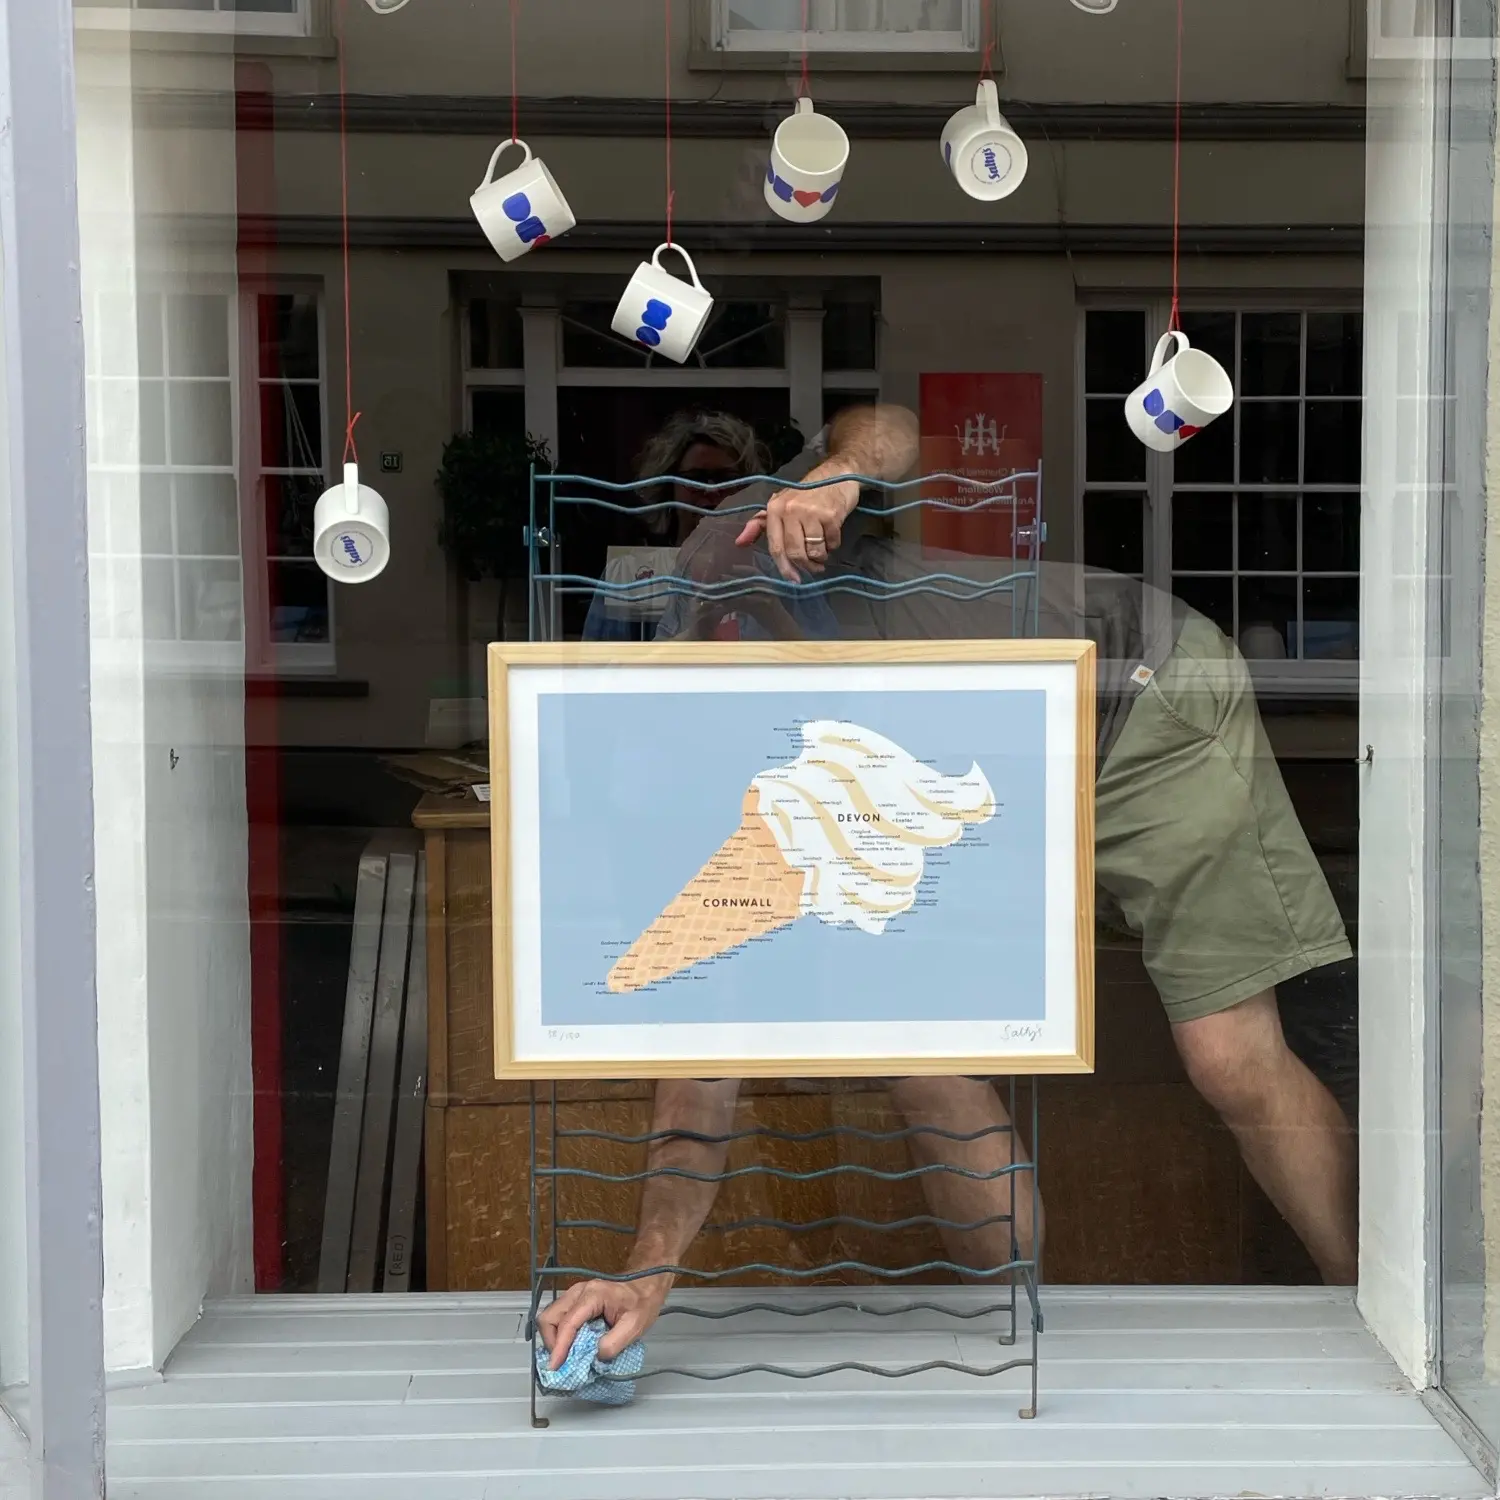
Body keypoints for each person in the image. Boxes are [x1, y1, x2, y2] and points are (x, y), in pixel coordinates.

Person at [541, 402, 1357, 1370]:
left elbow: (891, 424)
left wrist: (837, 473)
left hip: (1132, 699)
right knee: (917, 1048)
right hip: (965, 785)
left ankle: (1373, 1307)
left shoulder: (747, 531)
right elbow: (702, 1068)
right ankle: (1020, 1352)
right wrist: (648, 1268)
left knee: (1228, 1053)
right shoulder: (709, 773)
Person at [581, 409, 769, 642]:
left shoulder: (773, 575)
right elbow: (601, 671)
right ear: (669, 486)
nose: (711, 490)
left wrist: (776, 617)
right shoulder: (627, 576)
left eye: (725, 478)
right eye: (695, 478)